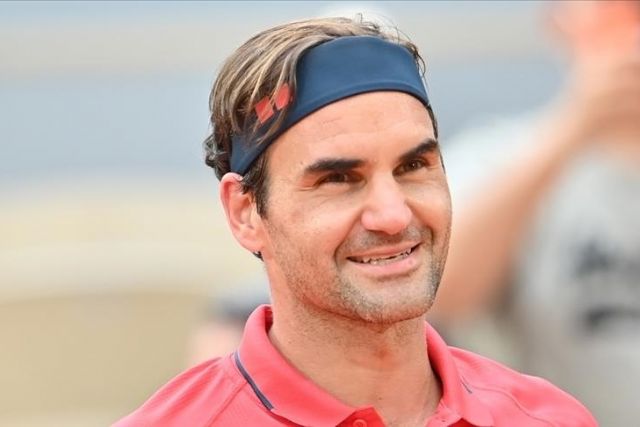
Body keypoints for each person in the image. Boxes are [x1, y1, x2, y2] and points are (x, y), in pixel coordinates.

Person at [114, 17, 596, 426]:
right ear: (245, 212)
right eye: (339, 178)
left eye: (413, 166)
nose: (393, 215)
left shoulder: (549, 418)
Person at [431, 2, 640, 426]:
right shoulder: (499, 158)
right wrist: (575, 127)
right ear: (561, 24)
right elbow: (435, 293)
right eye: (617, 14)